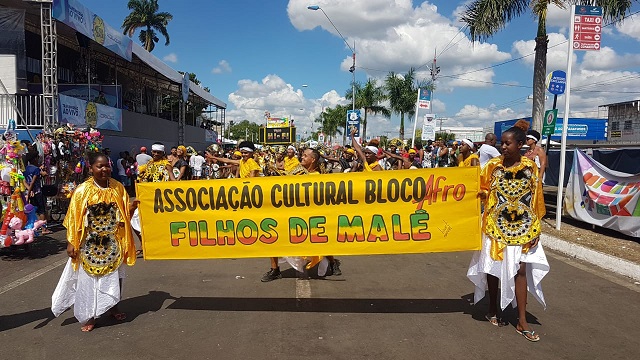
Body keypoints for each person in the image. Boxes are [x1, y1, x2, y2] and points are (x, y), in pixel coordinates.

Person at [467, 119, 549, 342]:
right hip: (495, 227)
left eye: (508, 144)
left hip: (523, 228)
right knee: (493, 269)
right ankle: (493, 308)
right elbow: (480, 189)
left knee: (520, 272)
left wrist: (537, 229)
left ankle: (521, 321)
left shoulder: (530, 167)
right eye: (502, 143)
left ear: (520, 144)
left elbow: (536, 198)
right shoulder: (492, 166)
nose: (503, 147)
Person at [51, 151, 137, 332]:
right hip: (90, 244)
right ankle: (90, 315)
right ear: (91, 169)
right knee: (90, 280)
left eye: (107, 165)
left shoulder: (117, 187)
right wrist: (72, 242)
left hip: (114, 242)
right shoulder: (82, 191)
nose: (105, 169)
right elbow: (74, 218)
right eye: (100, 166)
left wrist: (131, 207)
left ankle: (113, 306)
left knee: (115, 277)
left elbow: (122, 216)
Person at [23, 153, 52, 233]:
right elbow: (33, 181)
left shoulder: (26, 168)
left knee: (32, 210)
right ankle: (44, 229)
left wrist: (28, 191)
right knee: (41, 210)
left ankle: (34, 227)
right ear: (34, 159)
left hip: (29, 192)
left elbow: (24, 181)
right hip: (37, 192)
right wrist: (30, 191)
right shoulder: (36, 169)